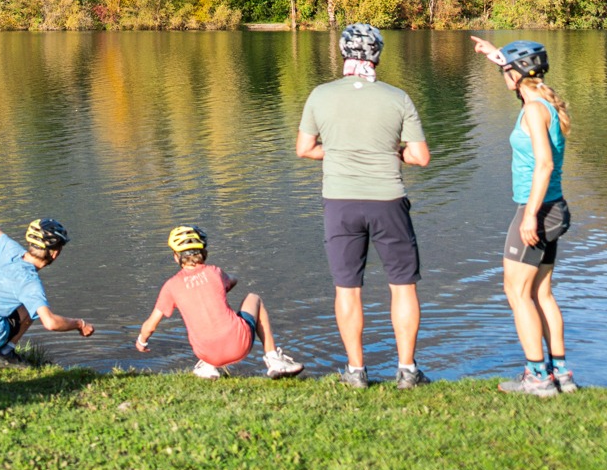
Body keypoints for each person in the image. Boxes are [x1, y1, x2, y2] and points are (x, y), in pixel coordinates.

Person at [295, 23, 432, 389]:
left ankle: (356, 372)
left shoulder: (319, 96)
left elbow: (304, 148)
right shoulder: (397, 97)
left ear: (342, 53)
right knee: (403, 286)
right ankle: (407, 371)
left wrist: (339, 151)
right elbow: (420, 157)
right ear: (377, 55)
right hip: (388, 201)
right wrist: (390, 151)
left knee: (347, 288)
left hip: (340, 204)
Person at [472, 36, 577, 396]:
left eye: (507, 70)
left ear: (518, 74)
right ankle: (560, 373)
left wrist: (529, 215)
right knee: (541, 294)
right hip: (554, 208)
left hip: (539, 209)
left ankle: (537, 377)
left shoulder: (534, 110)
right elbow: (517, 73)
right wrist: (494, 55)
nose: (504, 75)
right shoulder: (542, 100)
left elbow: (544, 165)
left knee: (517, 293)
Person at [134, 226, 304, 380]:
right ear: (203, 252)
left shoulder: (170, 286)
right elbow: (233, 280)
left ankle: (207, 366)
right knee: (254, 298)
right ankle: (273, 359)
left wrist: (142, 341)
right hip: (240, 345)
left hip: (207, 353)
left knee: (200, 320)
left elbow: (150, 325)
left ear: (176, 257)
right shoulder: (215, 272)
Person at [0, 218, 94, 368]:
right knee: (32, 308)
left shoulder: (11, 250)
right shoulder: (30, 282)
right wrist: (79, 324)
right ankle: (4, 355)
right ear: (55, 253)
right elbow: (51, 323)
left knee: (7, 301)